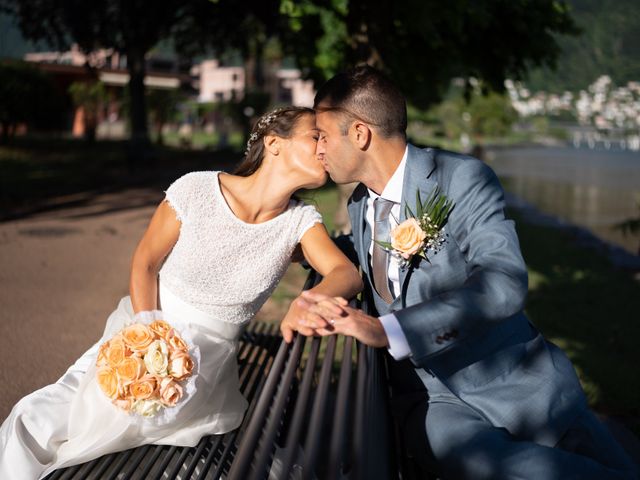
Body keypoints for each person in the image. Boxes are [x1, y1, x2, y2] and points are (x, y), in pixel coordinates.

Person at [293, 66, 637, 479]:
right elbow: (363, 255)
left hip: (523, 388)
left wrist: (388, 331)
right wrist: (293, 240)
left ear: (361, 134)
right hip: (433, 404)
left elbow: (503, 283)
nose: (319, 150)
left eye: (324, 136)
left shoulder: (462, 179)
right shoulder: (360, 205)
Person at [0, 106, 363, 479]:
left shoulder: (299, 221)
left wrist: (305, 302)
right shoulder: (196, 189)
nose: (324, 147)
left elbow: (345, 273)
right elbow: (145, 263)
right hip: (141, 337)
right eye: (315, 136)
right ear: (274, 143)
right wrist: (147, 336)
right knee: (35, 421)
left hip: (202, 376)